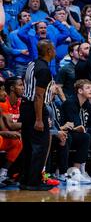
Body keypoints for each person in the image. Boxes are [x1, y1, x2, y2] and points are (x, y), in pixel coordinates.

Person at [19, 39, 56, 191]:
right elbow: (39, 96)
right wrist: (40, 119)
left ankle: (25, 180)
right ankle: (34, 182)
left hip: (26, 107)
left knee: (28, 146)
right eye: (52, 48)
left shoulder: (32, 64)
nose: (54, 51)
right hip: (36, 110)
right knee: (40, 147)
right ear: (48, 51)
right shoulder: (44, 69)